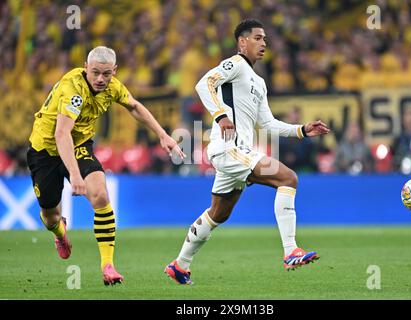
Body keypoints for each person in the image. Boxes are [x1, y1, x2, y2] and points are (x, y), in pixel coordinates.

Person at [164, 19, 330, 285]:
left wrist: (301, 130)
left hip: (237, 152)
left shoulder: (259, 82)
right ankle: (291, 251)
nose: (263, 43)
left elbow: (268, 123)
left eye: (265, 39)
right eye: (257, 38)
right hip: (229, 149)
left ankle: (180, 265)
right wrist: (220, 116)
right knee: (288, 178)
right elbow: (203, 84)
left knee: (219, 213)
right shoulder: (236, 64)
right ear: (242, 42)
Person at [27, 46, 185, 285]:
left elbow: (134, 105)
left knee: (100, 195)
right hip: (45, 151)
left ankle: (108, 265)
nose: (101, 79)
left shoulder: (112, 86)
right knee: (50, 217)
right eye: (95, 73)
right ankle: (60, 233)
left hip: (79, 145)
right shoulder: (74, 90)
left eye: (107, 73)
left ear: (115, 71)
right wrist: (74, 175)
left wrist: (163, 135)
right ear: (86, 68)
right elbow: (61, 134)